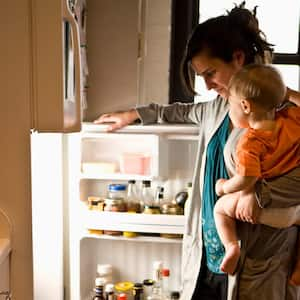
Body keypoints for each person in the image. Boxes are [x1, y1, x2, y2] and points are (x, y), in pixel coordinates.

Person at [94, 2, 300, 300]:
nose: (206, 84)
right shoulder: (215, 109)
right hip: (209, 251)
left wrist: (255, 195)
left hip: (260, 258)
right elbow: (176, 112)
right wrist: (134, 114)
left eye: (211, 73)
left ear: (238, 58)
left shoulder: (277, 113)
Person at [213, 64, 300, 277]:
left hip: (267, 212)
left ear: (244, 106)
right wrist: (286, 93)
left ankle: (231, 246)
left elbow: (246, 179)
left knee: (220, 209)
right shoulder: (292, 119)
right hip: (292, 212)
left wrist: (224, 187)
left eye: (229, 105)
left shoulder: (251, 141)